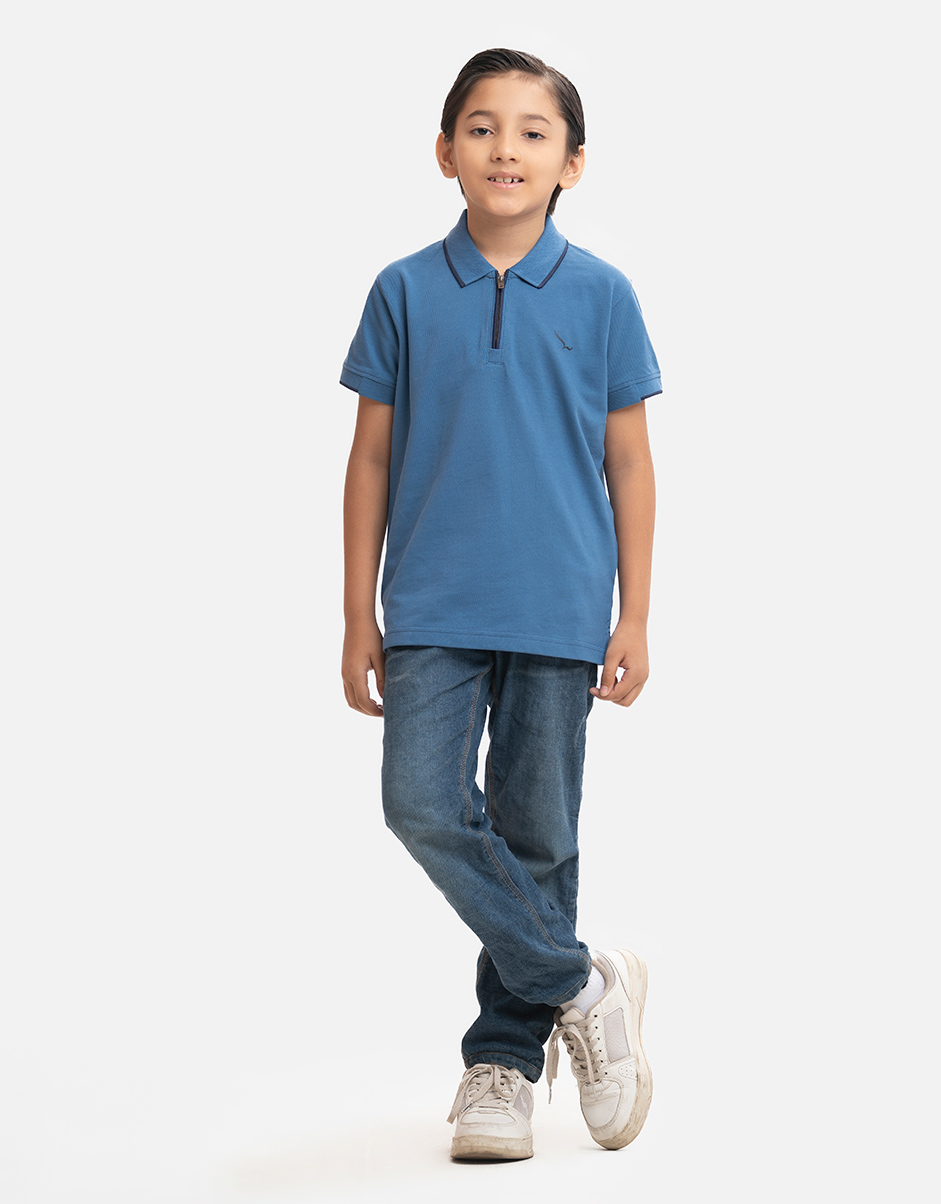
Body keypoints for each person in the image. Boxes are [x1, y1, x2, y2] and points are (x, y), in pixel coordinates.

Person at [340, 48, 661, 1161]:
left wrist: (634, 613)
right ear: (445, 152)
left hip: (559, 606)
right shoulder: (402, 290)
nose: (505, 149)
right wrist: (357, 612)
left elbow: (630, 462)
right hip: (430, 603)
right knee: (420, 803)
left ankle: (504, 1065)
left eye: (533, 132)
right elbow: (369, 460)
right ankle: (582, 985)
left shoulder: (604, 294)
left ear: (573, 162)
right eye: (481, 127)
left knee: (537, 835)